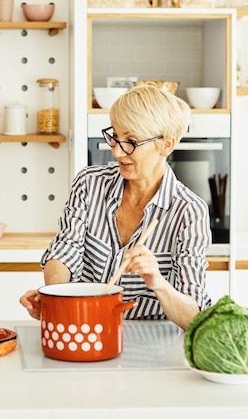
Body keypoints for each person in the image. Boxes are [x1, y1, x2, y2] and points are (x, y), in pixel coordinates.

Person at [20, 85, 212, 331]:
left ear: (166, 145)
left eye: (131, 141)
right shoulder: (89, 184)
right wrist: (55, 298)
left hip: (150, 347)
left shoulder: (189, 212)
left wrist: (158, 282)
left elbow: (195, 317)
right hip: (84, 331)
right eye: (115, 136)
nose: (117, 151)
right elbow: (65, 251)